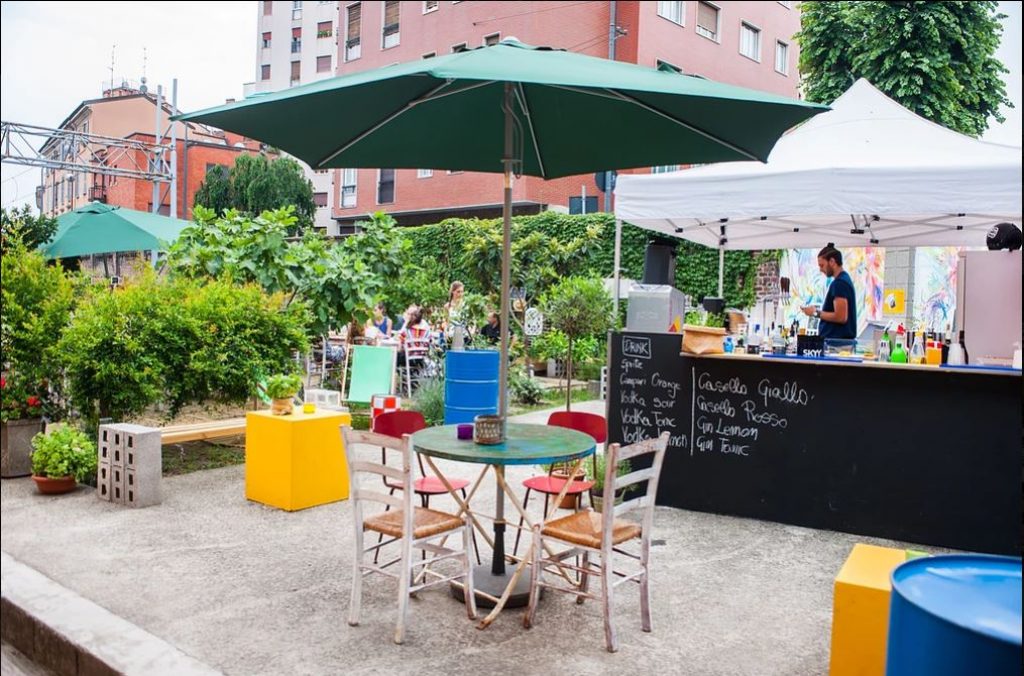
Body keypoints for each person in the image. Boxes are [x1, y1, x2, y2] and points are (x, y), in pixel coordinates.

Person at [801, 246, 857, 339]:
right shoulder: (843, 280)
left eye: (822, 265)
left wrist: (815, 313)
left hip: (837, 342)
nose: (820, 269)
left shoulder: (839, 283)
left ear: (832, 261)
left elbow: (841, 317)